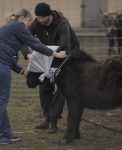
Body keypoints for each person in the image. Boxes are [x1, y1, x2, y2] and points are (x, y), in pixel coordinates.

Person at [0, 9, 67, 145]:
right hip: (2, 66)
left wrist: (22, 71)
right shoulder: (18, 26)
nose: (29, 24)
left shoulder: (9, 28)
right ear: (23, 18)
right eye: (29, 21)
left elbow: (6, 53)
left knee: (2, 102)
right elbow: (34, 44)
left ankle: (6, 134)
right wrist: (55, 54)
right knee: (2, 102)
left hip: (3, 64)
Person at [23, 2, 80, 133]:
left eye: (43, 17)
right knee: (44, 85)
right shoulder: (37, 23)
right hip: (48, 56)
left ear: (49, 15)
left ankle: (53, 121)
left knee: (61, 87)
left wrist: (51, 56)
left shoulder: (62, 23)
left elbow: (65, 45)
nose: (40, 20)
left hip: (66, 54)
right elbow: (24, 38)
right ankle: (48, 119)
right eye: (38, 17)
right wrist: (27, 54)